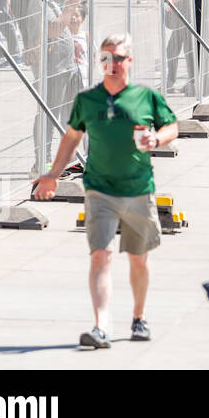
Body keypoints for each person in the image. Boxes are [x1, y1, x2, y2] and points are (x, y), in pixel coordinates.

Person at [32, 33, 178, 348]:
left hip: (138, 188)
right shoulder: (88, 100)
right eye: (106, 59)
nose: (112, 65)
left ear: (130, 61)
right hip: (99, 189)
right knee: (100, 256)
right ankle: (101, 327)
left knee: (138, 258)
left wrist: (158, 139)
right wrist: (53, 174)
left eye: (118, 58)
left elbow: (172, 126)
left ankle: (139, 318)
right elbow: (71, 137)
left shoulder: (146, 97)